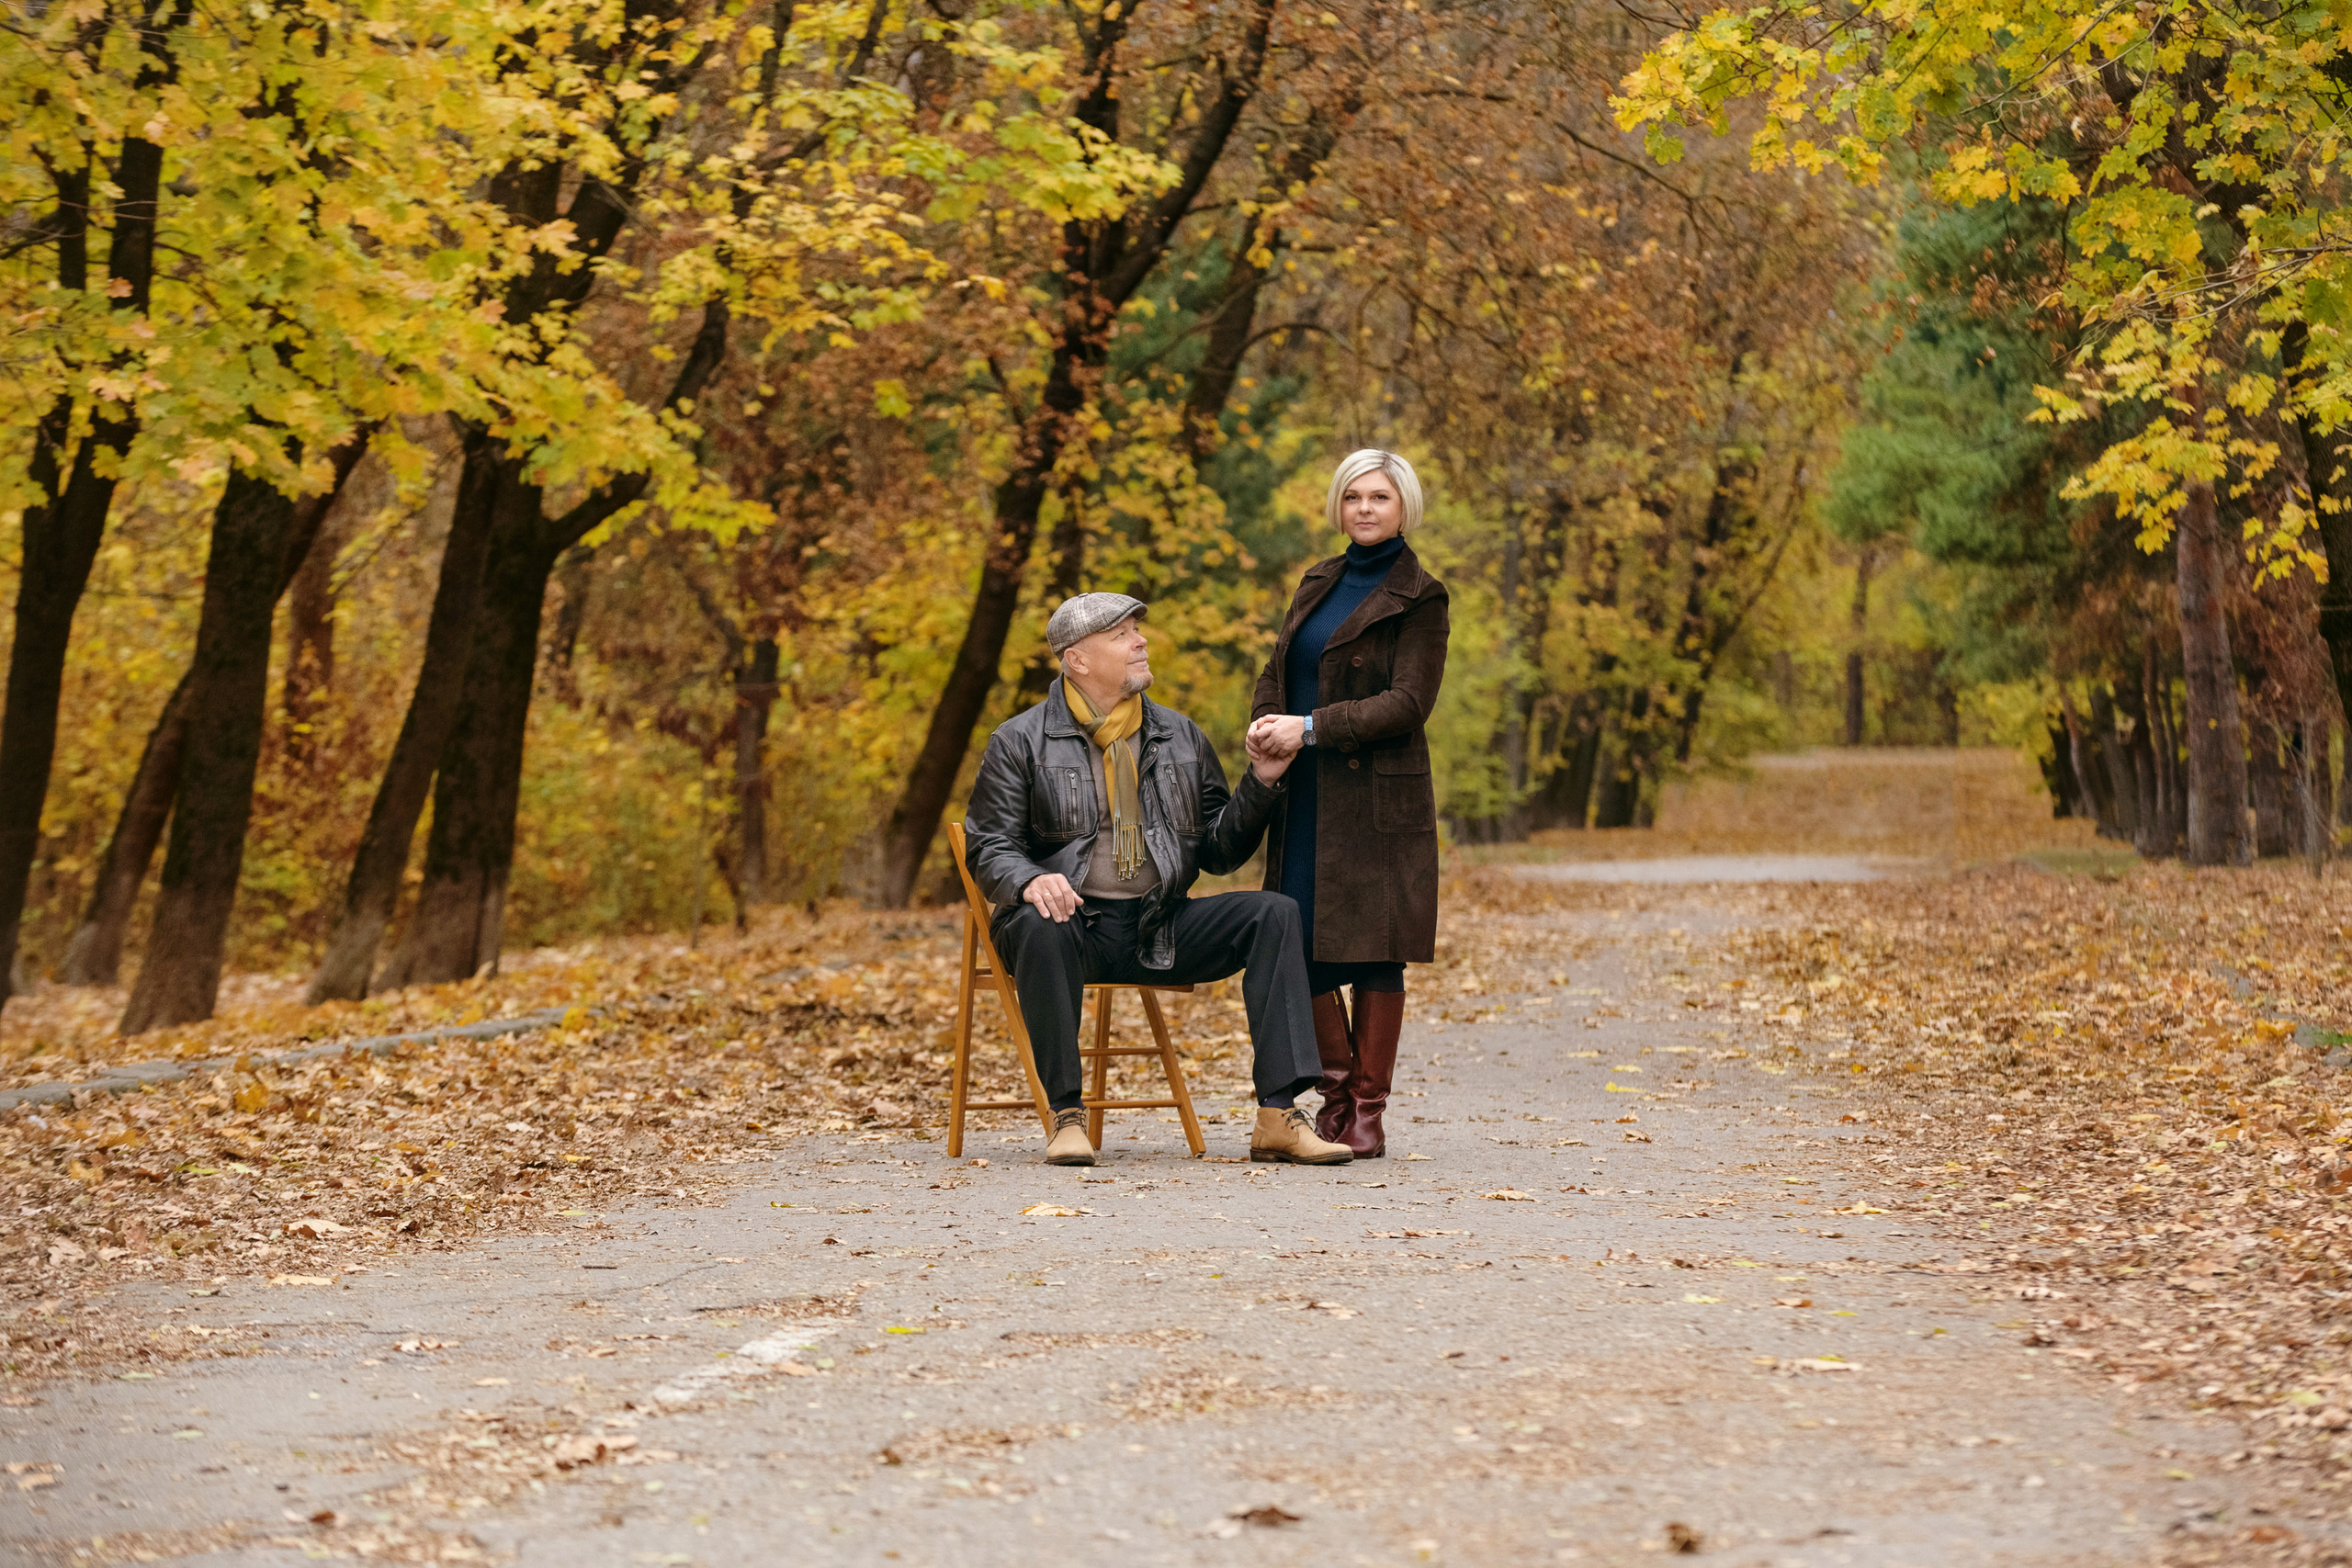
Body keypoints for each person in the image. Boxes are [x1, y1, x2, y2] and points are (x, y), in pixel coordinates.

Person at [963, 592, 1353, 1168]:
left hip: (1159, 926)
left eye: (1136, 630)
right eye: (1121, 635)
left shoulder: (1179, 735)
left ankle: (1278, 1115)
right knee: (1040, 920)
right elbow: (988, 843)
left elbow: (1218, 851)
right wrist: (1028, 881)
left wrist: (1262, 782)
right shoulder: (1019, 739)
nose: (1140, 641)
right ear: (1077, 660)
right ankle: (1065, 1116)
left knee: (1274, 913)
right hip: (1070, 928)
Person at [1245, 450, 1450, 1157]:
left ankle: (1367, 1111)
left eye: (1380, 497)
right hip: (1304, 792)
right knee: (1296, 939)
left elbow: (1408, 702)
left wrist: (1308, 728)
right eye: (1354, 496)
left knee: (1374, 951)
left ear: (1404, 507)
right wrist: (1266, 723)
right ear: (1339, 505)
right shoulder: (1318, 580)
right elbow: (1278, 668)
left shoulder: (1421, 596)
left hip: (1375, 800)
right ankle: (1333, 1101)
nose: (1365, 508)